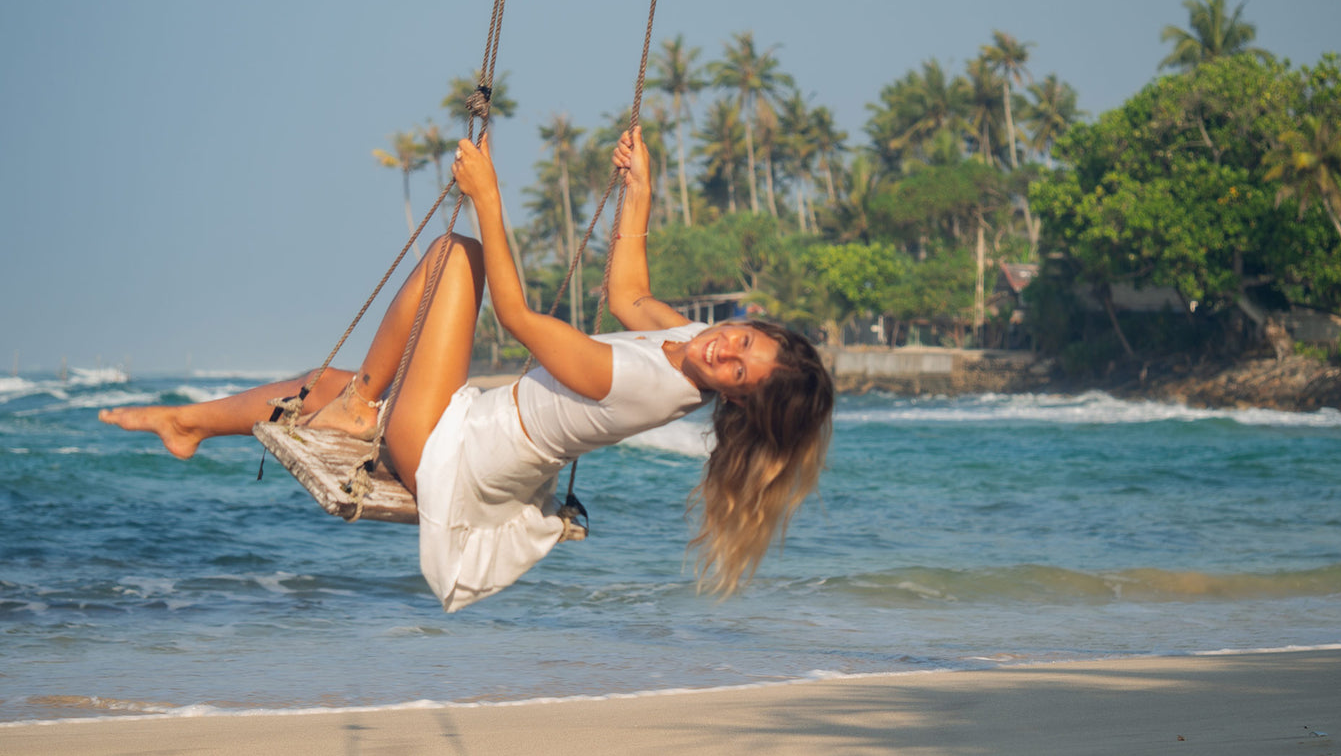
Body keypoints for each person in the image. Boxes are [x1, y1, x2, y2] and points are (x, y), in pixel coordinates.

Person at [100, 129, 832, 611]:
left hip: (450, 453)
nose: (725, 352)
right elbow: (629, 296)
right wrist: (639, 192)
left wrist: (488, 197)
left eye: (738, 372)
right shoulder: (696, 342)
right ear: (749, 325)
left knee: (459, 256)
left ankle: (361, 405)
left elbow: (516, 318)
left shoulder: (642, 386)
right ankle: (186, 423)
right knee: (317, 386)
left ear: (732, 400)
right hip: (475, 430)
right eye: (742, 341)